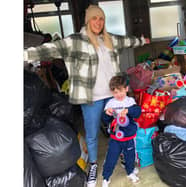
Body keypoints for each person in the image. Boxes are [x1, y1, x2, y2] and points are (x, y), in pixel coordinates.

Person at [24, 4, 150, 187]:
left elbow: (127, 41)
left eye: (101, 19)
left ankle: (124, 157)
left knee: (119, 127)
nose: (98, 22)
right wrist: (24, 54)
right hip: (91, 98)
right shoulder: (75, 41)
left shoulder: (109, 39)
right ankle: (93, 166)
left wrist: (142, 40)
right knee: (91, 134)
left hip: (114, 96)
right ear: (87, 20)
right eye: (94, 18)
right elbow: (49, 49)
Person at [102, 75, 141, 187]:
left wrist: (128, 110)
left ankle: (130, 172)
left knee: (130, 157)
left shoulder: (130, 101)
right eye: (115, 92)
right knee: (111, 157)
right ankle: (106, 177)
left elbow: (137, 112)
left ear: (126, 89)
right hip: (116, 138)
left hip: (129, 137)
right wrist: (107, 113)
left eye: (121, 91)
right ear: (112, 92)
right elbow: (105, 120)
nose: (118, 95)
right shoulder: (110, 103)